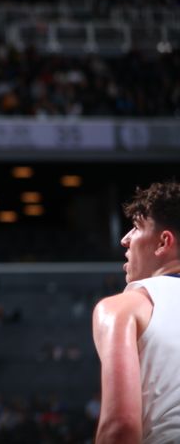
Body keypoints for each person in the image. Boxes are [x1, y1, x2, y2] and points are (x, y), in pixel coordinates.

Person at [92, 180, 180, 444]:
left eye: (137, 227)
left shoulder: (125, 307)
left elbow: (120, 428)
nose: (124, 239)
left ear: (164, 242)